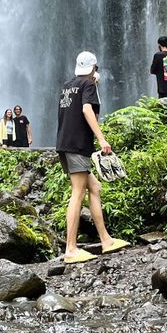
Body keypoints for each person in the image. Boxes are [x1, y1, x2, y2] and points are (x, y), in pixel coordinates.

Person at [56, 51, 129, 263]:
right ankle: (71, 248)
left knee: (94, 187)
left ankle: (106, 240)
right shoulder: (88, 85)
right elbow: (88, 110)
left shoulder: (67, 85)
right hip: (77, 144)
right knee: (78, 192)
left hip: (64, 143)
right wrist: (102, 139)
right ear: (94, 68)